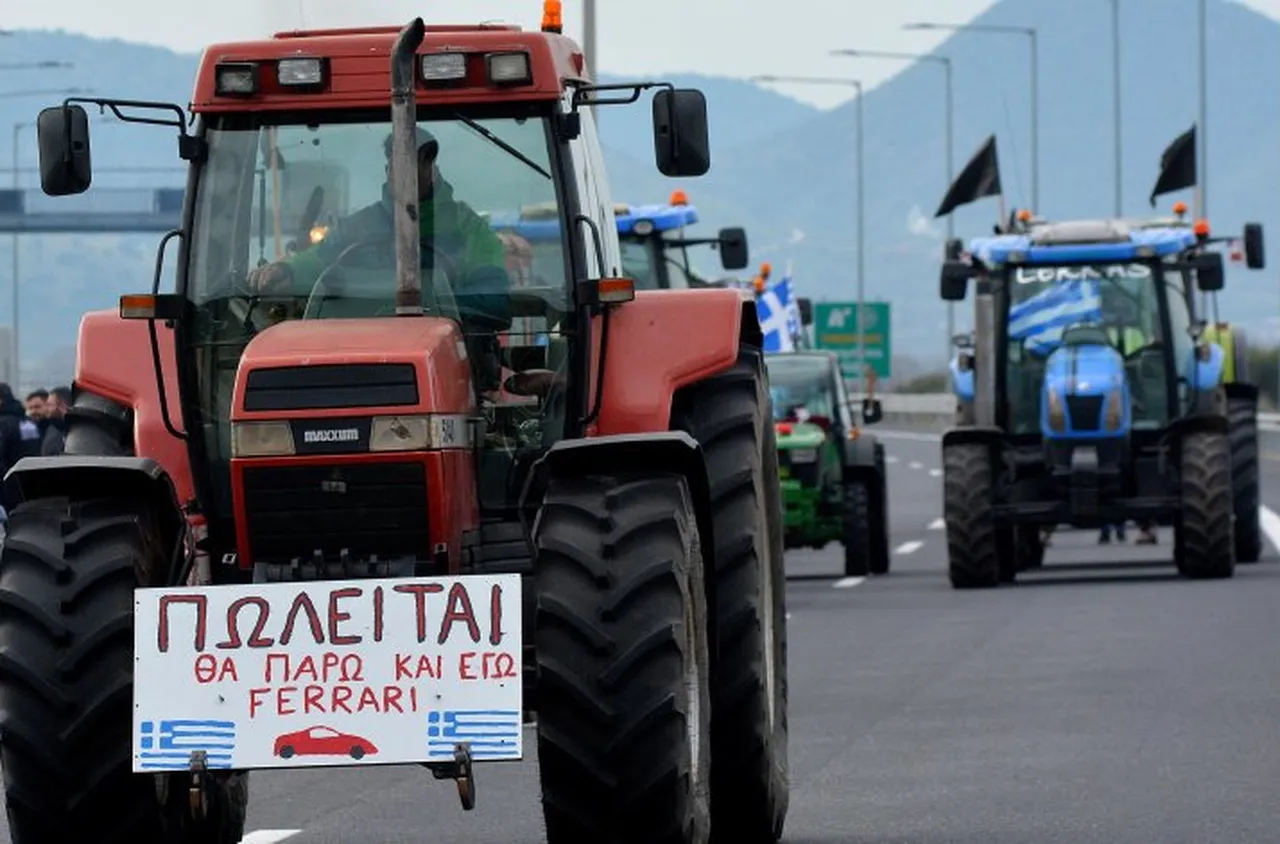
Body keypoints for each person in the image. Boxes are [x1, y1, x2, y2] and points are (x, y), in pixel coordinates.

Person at [248, 125, 513, 390]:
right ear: (387, 171)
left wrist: (437, 299)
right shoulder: (357, 227)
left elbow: (494, 302)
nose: (405, 173)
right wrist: (286, 271)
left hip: (450, 371)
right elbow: (318, 260)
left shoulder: (469, 229)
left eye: (414, 162)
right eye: (397, 164)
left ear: (432, 168)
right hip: (351, 364)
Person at [40, 385, 70, 456]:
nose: (46, 409)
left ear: (62, 405)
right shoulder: (51, 428)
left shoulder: (77, 431)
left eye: (49, 405)